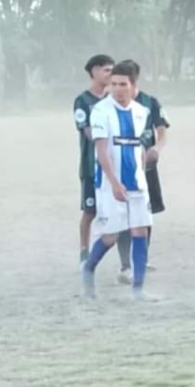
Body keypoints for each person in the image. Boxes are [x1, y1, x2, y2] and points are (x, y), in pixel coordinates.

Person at [81, 61, 157, 301]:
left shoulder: (141, 111)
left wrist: (142, 171)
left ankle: (138, 289)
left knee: (140, 232)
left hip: (136, 182)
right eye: (113, 84)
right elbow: (102, 151)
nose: (117, 89)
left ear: (133, 85)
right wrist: (114, 182)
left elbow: (140, 147)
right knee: (111, 236)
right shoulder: (101, 111)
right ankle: (89, 268)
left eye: (123, 84)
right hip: (110, 183)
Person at [115, 59, 169, 285]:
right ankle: (126, 264)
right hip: (123, 167)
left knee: (146, 214)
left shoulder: (150, 102)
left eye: (123, 82)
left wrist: (157, 148)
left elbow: (161, 128)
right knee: (124, 216)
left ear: (134, 80)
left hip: (146, 167)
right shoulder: (113, 105)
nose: (118, 88)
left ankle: (141, 258)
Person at [73, 54, 114, 264]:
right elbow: (87, 131)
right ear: (95, 71)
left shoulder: (115, 99)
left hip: (113, 166)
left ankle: (126, 262)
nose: (110, 74)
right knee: (90, 211)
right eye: (106, 70)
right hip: (91, 165)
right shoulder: (82, 101)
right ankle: (83, 251)